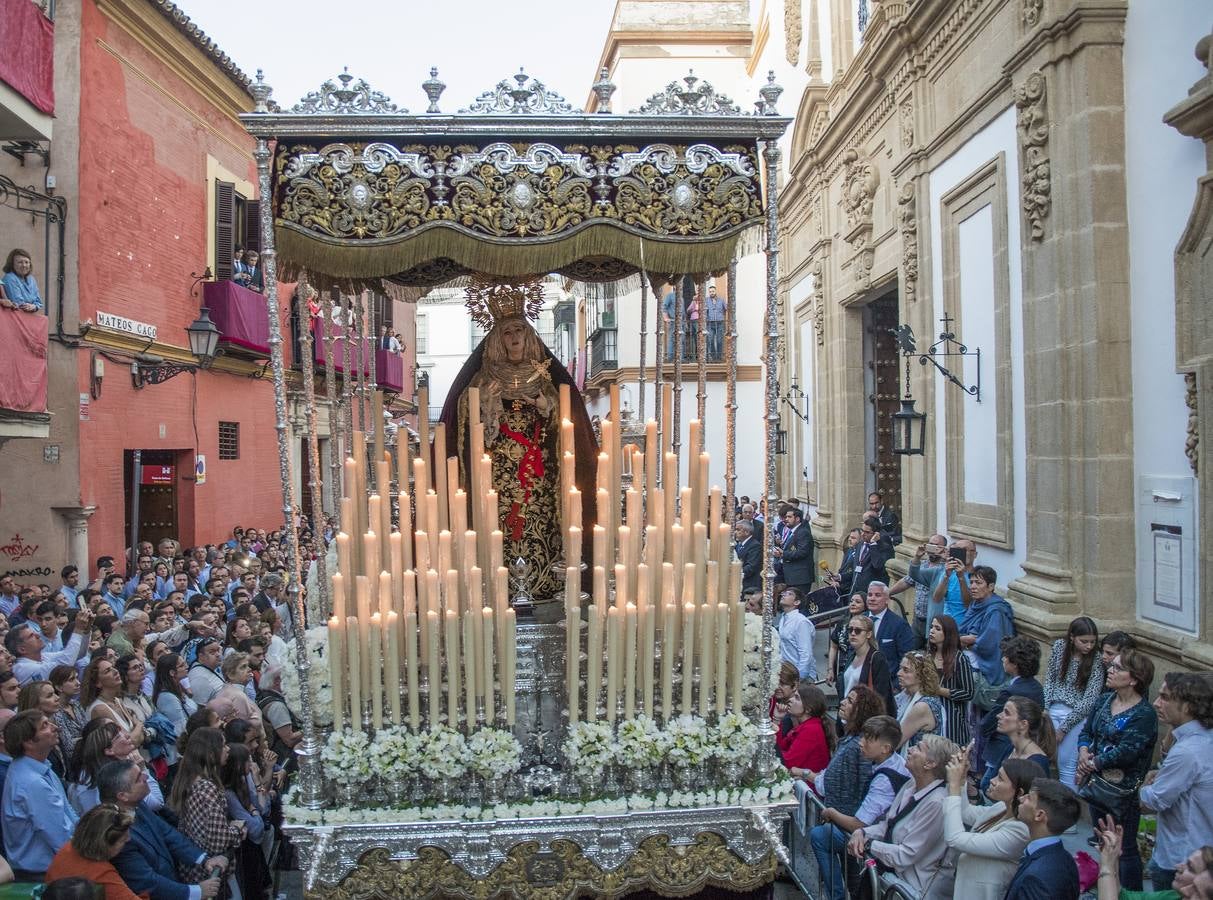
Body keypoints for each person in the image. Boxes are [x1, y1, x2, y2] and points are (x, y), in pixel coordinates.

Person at [438, 280, 597, 607]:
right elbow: (467, 419)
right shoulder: (483, 379)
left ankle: (549, 579)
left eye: (519, 332)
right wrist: (489, 409)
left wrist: (545, 407)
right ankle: (498, 582)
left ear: (529, 336)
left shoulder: (544, 375)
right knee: (502, 526)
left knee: (539, 523)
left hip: (539, 473)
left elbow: (564, 417)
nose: (514, 339)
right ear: (498, 338)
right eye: (508, 333)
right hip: (498, 474)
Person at [1077, 648, 1158, 890]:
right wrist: (1083, 752)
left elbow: (1127, 751)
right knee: (1103, 841)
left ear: (1134, 679)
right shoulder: (1104, 701)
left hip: (1122, 792)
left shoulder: (1144, 714)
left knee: (1125, 848)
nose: (1109, 670)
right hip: (1096, 785)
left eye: (1117, 667)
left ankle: (1131, 893)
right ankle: (1108, 890)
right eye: (1111, 666)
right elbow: (1087, 732)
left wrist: (1093, 763)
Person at [810, 716, 909, 900]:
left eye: (868, 740)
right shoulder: (892, 762)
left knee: (820, 835)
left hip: (879, 838)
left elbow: (858, 824)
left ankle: (837, 896)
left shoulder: (884, 781)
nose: (861, 743)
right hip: (879, 832)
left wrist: (831, 812)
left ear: (885, 748)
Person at [846, 733, 957, 896]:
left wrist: (869, 844)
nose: (910, 749)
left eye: (919, 747)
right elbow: (887, 825)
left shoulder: (936, 803)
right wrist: (862, 832)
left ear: (930, 763)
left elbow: (906, 855)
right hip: (887, 878)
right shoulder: (910, 784)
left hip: (908, 888)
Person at [98, 759, 226, 899]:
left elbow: (167, 833)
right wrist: (195, 892)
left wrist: (203, 859)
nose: (146, 777)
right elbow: (146, 881)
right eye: (139, 778)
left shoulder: (137, 805)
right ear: (123, 796)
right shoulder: (117, 835)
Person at [1141, 672, 1213, 892]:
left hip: (1180, 858)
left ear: (1187, 706)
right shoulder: (1200, 739)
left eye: (1165, 697)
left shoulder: (1188, 751)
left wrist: (1143, 787)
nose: (1156, 702)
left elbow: (1152, 802)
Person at [1, 711, 77, 879]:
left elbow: (69, 814)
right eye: (45, 725)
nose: (55, 727)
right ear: (28, 742)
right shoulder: (31, 783)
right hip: (43, 875)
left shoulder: (41, 767)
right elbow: (61, 840)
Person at [168, 728, 244, 885]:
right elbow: (219, 840)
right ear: (210, 753)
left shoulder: (189, 781)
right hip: (210, 871)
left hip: (195, 868)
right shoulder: (206, 788)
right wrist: (236, 829)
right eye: (223, 745)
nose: (228, 748)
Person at [1045, 615, 1105, 789]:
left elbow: (1089, 699)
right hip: (1053, 709)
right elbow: (1050, 680)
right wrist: (1045, 709)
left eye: (1092, 642)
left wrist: (1065, 727)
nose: (1089, 646)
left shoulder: (1095, 660)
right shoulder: (1059, 647)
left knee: (1067, 766)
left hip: (1076, 715)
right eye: (1084, 641)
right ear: (1072, 637)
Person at [1095, 816, 1211, 900]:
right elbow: (1122, 896)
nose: (1178, 867)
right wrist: (1113, 857)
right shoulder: (1174, 896)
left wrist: (1107, 867)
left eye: (1190, 868)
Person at [1003, 778, 1081, 900]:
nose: (1021, 798)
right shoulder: (1064, 857)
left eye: (1029, 798)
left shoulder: (1037, 878)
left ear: (1039, 815)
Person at [44, 804, 144, 900]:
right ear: (105, 844)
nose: (128, 840)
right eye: (123, 840)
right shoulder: (101, 874)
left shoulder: (68, 848)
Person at [956, 566, 1015, 688]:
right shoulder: (975, 604)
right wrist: (968, 638)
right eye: (971, 582)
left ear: (991, 587)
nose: (972, 587)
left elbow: (989, 644)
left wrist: (968, 640)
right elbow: (962, 631)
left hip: (983, 670)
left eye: (978, 583)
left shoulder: (996, 611)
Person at [890, 534, 947, 647]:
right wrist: (887, 593)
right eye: (930, 544)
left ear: (944, 548)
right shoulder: (923, 565)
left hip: (933, 622)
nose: (933, 548)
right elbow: (907, 580)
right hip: (917, 620)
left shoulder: (945, 569)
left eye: (937, 546)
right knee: (911, 652)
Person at [927, 613, 975, 746]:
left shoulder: (959, 658)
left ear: (948, 633)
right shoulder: (927, 655)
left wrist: (940, 690)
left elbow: (968, 692)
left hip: (951, 719)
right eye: (931, 627)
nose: (932, 631)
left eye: (937, 628)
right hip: (928, 713)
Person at [8, 611, 92, 685]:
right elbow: (66, 664)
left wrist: (86, 629)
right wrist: (78, 628)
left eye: (34, 633)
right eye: (31, 636)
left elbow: (78, 654)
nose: (37, 635)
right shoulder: (22, 668)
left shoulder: (43, 656)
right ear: (22, 649)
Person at [779, 684, 835, 780]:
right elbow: (780, 747)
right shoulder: (806, 725)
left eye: (797, 698)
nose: (790, 700)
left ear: (808, 709)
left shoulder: (811, 730)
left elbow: (788, 762)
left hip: (807, 788)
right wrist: (777, 719)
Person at [842, 614, 895, 714]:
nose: (853, 633)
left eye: (858, 631)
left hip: (864, 717)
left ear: (868, 634)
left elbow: (881, 695)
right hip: (847, 716)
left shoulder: (877, 658)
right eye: (850, 630)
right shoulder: (851, 656)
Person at [893, 651, 946, 750]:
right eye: (900, 668)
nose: (898, 673)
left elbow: (895, 743)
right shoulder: (906, 697)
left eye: (906, 670)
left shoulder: (922, 706)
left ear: (921, 676)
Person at [866, 581, 914, 676]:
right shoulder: (859, 620)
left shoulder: (899, 625)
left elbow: (907, 657)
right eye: (870, 595)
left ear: (887, 600)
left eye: (877, 595)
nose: (872, 598)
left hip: (887, 683)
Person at [207, 653, 262, 734]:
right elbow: (242, 731)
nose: (249, 669)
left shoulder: (231, 690)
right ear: (231, 674)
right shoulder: (237, 696)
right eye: (243, 667)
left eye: (248, 666)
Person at [776, 588, 817, 680]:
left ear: (797, 602)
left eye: (789, 594)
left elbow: (806, 653)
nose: (783, 595)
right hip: (787, 671)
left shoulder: (801, 622)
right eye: (784, 593)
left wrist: (800, 675)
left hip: (800, 673)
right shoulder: (783, 618)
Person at [932, 537, 976, 622]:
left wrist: (961, 577)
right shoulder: (949, 573)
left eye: (966, 550)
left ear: (975, 554)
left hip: (966, 626)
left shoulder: (978, 576)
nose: (963, 553)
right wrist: (946, 577)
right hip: (948, 625)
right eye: (959, 550)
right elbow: (937, 599)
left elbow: (969, 604)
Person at [772, 507, 815, 593]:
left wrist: (783, 554)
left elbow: (802, 552)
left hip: (799, 578)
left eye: (789, 517)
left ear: (797, 519)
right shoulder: (793, 531)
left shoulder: (803, 532)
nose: (786, 519)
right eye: (786, 517)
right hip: (790, 576)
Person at [827, 593, 866, 686]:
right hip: (842, 672)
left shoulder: (868, 625)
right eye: (851, 601)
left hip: (860, 673)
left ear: (865, 606)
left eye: (858, 602)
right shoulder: (843, 622)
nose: (853, 604)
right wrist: (830, 669)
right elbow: (833, 646)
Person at [50, 666, 87, 764]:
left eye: (77, 678)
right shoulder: (55, 712)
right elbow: (68, 746)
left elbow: (89, 729)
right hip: (74, 762)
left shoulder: (76, 704)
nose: (78, 683)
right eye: (71, 680)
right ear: (59, 687)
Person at [187, 639, 224, 706]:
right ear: (201, 656)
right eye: (212, 652)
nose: (218, 654)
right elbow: (199, 709)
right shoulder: (199, 678)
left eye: (218, 650)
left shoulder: (210, 667)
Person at [733, 521, 761, 595]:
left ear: (747, 532)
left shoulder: (755, 546)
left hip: (748, 584)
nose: (735, 532)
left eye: (738, 530)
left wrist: (735, 573)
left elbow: (751, 566)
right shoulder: (738, 544)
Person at [704, 283, 725, 360]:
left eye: (713, 291)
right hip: (710, 323)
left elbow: (726, 309)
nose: (711, 293)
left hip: (720, 322)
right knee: (710, 340)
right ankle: (713, 356)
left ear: (715, 292)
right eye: (710, 291)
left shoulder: (721, 300)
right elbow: (704, 310)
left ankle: (719, 357)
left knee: (719, 340)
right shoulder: (706, 300)